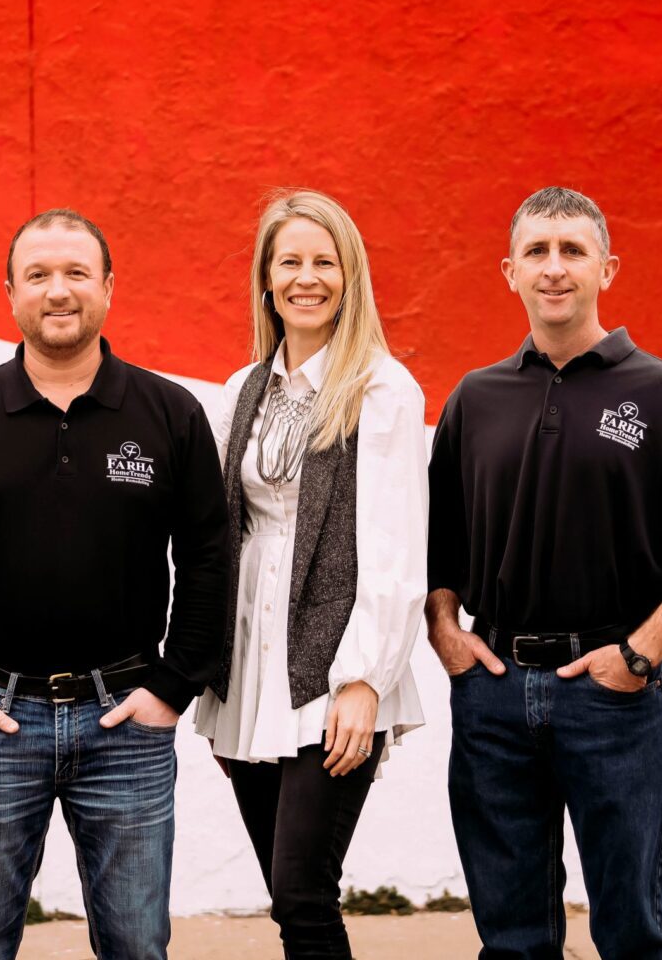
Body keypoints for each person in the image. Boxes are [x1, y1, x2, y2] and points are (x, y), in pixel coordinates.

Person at [425, 186, 662, 959]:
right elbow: (441, 546)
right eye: (537, 251)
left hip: (615, 700)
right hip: (495, 696)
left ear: (608, 269)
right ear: (508, 270)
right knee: (511, 942)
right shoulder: (476, 399)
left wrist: (638, 656)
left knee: (634, 937)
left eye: (572, 250)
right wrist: (446, 630)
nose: (554, 268)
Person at [0, 208, 228, 960]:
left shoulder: (169, 413)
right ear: (9, 292)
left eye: (77, 272)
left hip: (126, 726)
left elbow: (208, 556)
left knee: (137, 947)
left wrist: (173, 686)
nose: (58, 291)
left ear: (109, 287)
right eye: (38, 274)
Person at [193, 190, 428, 959]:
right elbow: (224, 533)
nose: (307, 277)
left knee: (303, 891)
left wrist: (364, 680)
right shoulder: (243, 391)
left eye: (324, 261)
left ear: (349, 275)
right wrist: (207, 673)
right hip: (250, 670)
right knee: (287, 897)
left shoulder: (381, 389)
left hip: (333, 666)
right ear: (265, 278)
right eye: (289, 261)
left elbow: (394, 547)